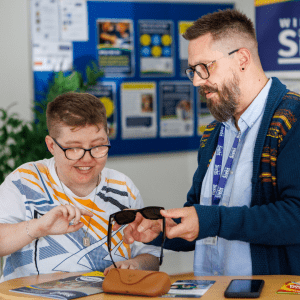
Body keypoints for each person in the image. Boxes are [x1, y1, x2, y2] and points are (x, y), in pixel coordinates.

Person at [115, 9, 300, 276]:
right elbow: (201, 216)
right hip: (210, 289)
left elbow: (294, 216)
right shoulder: (214, 131)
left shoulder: (293, 119)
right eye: (193, 70)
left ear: (242, 59)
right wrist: (165, 229)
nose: (197, 81)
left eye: (205, 67)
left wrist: (212, 220)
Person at [0, 92, 160, 282]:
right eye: (74, 148)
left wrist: (136, 265)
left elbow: (151, 255)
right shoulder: (25, 180)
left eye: (98, 146)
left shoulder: (123, 187)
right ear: (51, 146)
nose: (87, 158)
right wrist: (38, 227)